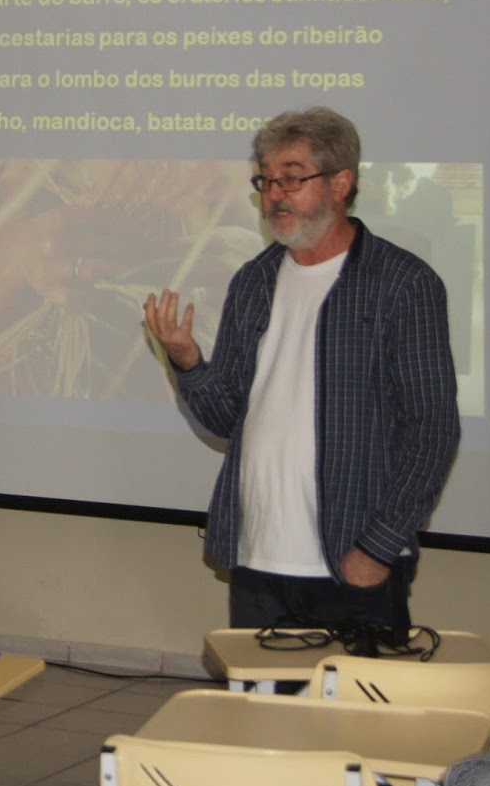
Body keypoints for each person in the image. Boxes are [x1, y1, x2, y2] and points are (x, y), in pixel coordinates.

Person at [143, 107, 460, 632]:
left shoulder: (403, 283)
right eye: (266, 180)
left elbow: (432, 430)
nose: (274, 194)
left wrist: (377, 549)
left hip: (352, 563)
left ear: (340, 183)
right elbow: (226, 419)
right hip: (257, 558)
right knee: (256, 689)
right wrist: (188, 360)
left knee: (354, 692)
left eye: (290, 178)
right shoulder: (253, 280)